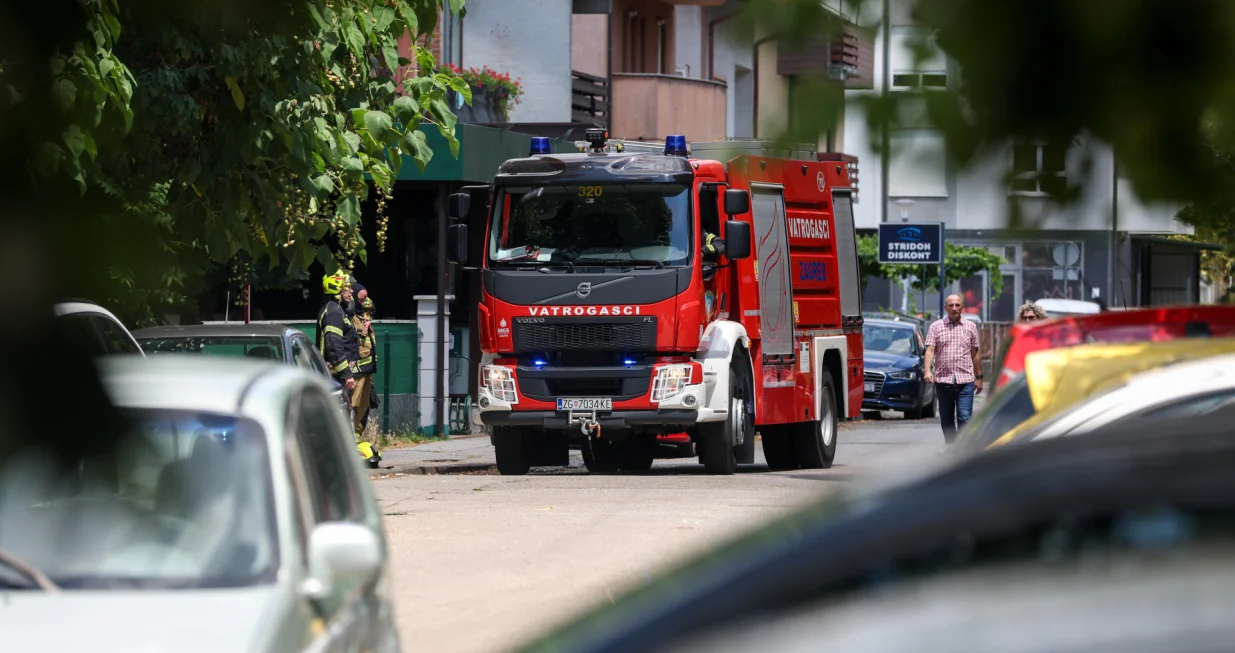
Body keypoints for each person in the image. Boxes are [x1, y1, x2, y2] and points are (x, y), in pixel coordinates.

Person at [924, 294, 983, 445]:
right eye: (951, 305)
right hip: (943, 380)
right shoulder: (936, 327)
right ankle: (951, 447)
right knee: (947, 419)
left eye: (958, 305)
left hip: (965, 380)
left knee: (964, 418)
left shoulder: (971, 327)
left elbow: (975, 353)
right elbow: (930, 350)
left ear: (962, 307)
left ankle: (962, 449)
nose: (954, 308)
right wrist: (927, 370)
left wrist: (979, 376)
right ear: (946, 308)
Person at [350, 283, 378, 435]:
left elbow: (371, 307)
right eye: (360, 300)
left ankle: (358, 435)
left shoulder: (364, 311)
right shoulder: (348, 316)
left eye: (365, 299)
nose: (364, 303)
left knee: (364, 406)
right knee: (353, 405)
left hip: (367, 369)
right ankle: (350, 437)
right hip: (356, 371)